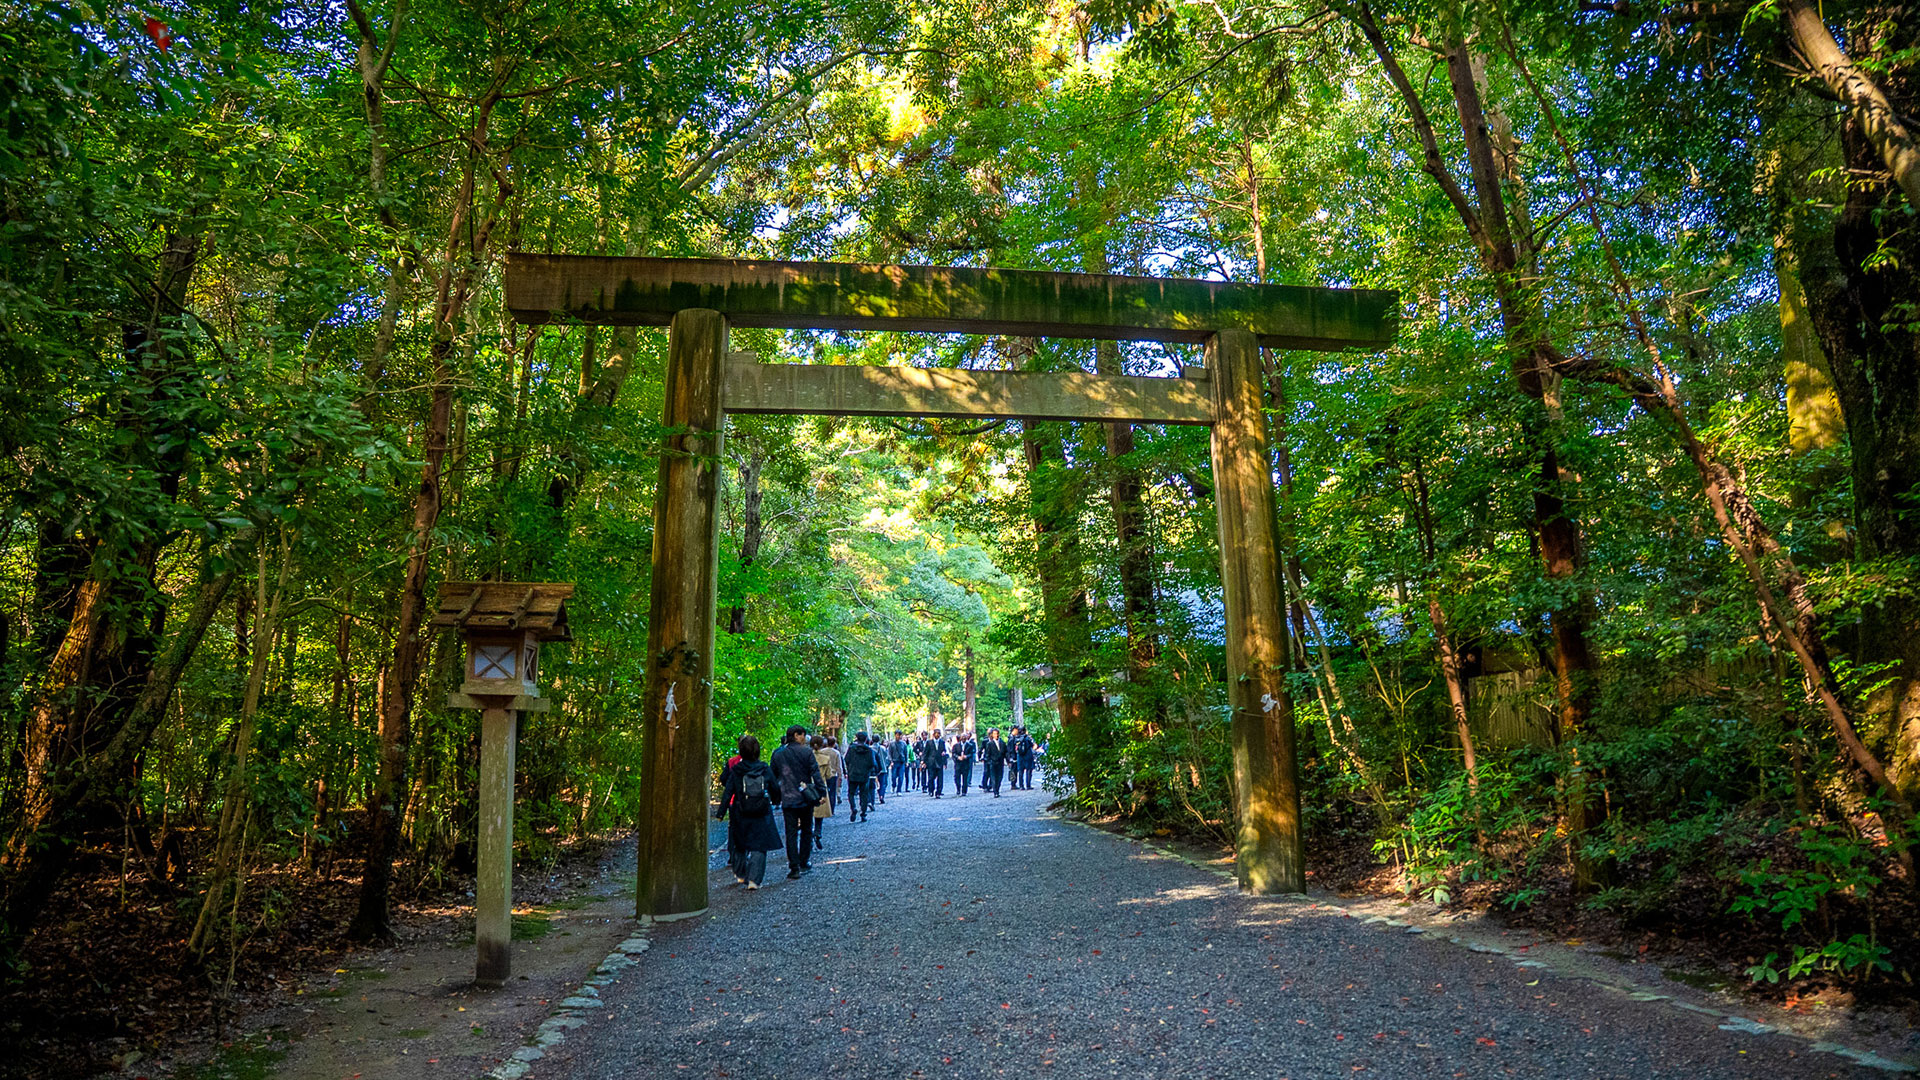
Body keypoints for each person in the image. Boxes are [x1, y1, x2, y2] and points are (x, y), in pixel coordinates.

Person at [715, 735, 781, 889]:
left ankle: (740, 874)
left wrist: (721, 812)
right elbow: (775, 788)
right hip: (762, 811)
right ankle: (754, 880)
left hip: (741, 810)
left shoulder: (737, 770)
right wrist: (776, 800)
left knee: (739, 843)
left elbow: (728, 791)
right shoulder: (764, 768)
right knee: (759, 845)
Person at [771, 725, 824, 878]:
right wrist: (821, 792)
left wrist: (776, 797)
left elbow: (772, 776)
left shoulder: (778, 754)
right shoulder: (806, 752)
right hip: (805, 796)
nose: (804, 739)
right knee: (807, 830)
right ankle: (804, 861)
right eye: (802, 735)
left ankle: (793, 867)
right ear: (796, 735)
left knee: (791, 833)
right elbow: (815, 773)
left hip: (788, 797)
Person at [844, 731, 880, 822]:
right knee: (864, 794)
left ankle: (853, 808)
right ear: (866, 739)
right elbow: (872, 763)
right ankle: (863, 814)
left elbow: (846, 759)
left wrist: (850, 768)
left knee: (851, 793)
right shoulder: (869, 750)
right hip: (864, 775)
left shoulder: (851, 749)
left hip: (853, 774)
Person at [811, 735, 838, 851]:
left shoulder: (806, 757)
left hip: (808, 787)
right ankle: (818, 833)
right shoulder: (825, 758)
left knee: (809, 813)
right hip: (820, 787)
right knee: (819, 814)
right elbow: (829, 775)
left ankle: (809, 834)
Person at [980, 727, 1006, 797]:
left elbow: (1005, 753)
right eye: (994, 734)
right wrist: (988, 761)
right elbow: (987, 754)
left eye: (997, 734)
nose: (996, 735)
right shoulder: (989, 743)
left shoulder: (1002, 743)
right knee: (993, 777)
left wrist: (1008, 761)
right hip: (993, 762)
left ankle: (997, 789)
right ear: (992, 735)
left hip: (1000, 763)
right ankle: (995, 791)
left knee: (999, 777)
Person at [924, 727, 948, 797]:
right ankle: (931, 790)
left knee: (940, 778)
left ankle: (938, 792)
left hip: (939, 762)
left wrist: (945, 762)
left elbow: (944, 751)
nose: (938, 735)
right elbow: (925, 752)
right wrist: (923, 761)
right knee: (931, 777)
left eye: (939, 734)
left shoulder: (942, 742)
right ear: (934, 734)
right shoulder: (929, 742)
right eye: (937, 734)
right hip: (931, 762)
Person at [1010, 726, 1037, 790]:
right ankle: (1028, 785)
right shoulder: (1027, 738)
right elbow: (1032, 745)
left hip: (1019, 756)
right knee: (1028, 770)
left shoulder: (1016, 738)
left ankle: (1021, 785)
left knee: (1020, 771)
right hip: (1028, 756)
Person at [951, 729, 976, 796]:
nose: (963, 738)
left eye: (965, 737)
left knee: (965, 778)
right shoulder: (956, 745)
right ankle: (958, 789)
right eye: (962, 737)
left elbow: (971, 754)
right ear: (960, 738)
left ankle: (964, 791)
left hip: (965, 764)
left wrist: (966, 756)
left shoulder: (970, 745)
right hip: (958, 764)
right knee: (957, 778)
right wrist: (958, 757)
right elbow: (953, 754)